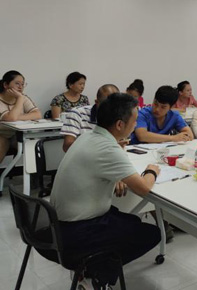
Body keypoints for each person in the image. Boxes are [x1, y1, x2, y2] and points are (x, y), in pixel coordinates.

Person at [50, 93, 161, 289]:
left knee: (132, 221)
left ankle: (92, 268)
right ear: (119, 124)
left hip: (59, 224)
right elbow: (143, 188)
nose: (135, 125)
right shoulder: (108, 149)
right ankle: (95, 276)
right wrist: (152, 170)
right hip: (77, 231)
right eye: (134, 120)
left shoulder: (87, 136)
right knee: (151, 233)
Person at [60, 84, 120, 152]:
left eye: (116, 104)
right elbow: (67, 146)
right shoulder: (77, 113)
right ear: (97, 102)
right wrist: (103, 148)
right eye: (107, 105)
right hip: (85, 156)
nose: (112, 109)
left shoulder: (120, 114)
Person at [0, 70, 42, 163]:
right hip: (2, 134)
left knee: (34, 147)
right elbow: (11, 118)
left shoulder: (23, 97)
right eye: (17, 83)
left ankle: (32, 172)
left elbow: (37, 114)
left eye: (23, 84)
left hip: (17, 134)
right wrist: (19, 98)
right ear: (5, 85)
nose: (20, 87)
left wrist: (15, 117)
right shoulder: (20, 97)